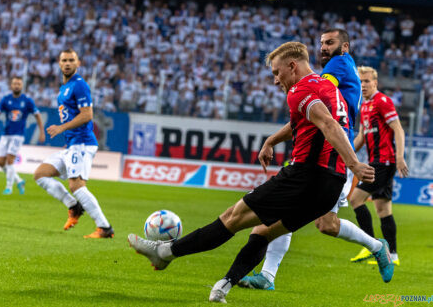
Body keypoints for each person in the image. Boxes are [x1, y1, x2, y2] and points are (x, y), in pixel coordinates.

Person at [128, 42, 392, 304]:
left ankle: (164, 252)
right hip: (330, 186)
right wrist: (272, 141)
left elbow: (327, 124)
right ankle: (224, 286)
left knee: (232, 218)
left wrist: (355, 163)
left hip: (305, 176)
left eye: (277, 73)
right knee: (264, 232)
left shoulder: (300, 90)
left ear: (292, 65)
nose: (276, 80)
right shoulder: (328, 88)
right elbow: (309, 120)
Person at [239, 28, 386, 291]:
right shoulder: (344, 66)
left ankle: (376, 246)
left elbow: (315, 110)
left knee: (324, 223)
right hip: (318, 155)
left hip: (331, 158)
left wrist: (271, 139)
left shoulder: (337, 67)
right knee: (299, 216)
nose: (323, 48)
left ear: (345, 47)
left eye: (330, 43)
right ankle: (267, 276)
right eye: (321, 43)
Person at [33, 49, 114, 239]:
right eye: (64, 60)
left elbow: (87, 115)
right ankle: (73, 206)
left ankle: (104, 227)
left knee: (77, 185)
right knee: (41, 175)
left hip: (83, 144)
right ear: (59, 63)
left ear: (78, 63)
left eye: (71, 60)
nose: (68, 63)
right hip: (72, 144)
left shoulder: (79, 85)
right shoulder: (64, 87)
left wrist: (62, 128)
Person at [349, 66, 408, 265]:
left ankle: (371, 247)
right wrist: (345, 154)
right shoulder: (365, 105)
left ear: (375, 83)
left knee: (356, 199)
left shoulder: (382, 101)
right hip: (378, 161)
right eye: (360, 81)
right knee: (383, 210)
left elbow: (398, 130)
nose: (363, 85)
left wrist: (400, 157)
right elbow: (361, 137)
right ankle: (393, 255)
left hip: (384, 162)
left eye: (367, 81)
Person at [0, 76, 45, 195]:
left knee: (10, 161)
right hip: (6, 134)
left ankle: (9, 188)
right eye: (15, 84)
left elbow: (37, 115)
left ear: (22, 86)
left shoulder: (27, 100)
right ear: (11, 86)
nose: (17, 86)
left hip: (18, 135)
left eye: (19, 84)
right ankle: (19, 181)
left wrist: (42, 131)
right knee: (0, 162)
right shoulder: (6, 99)